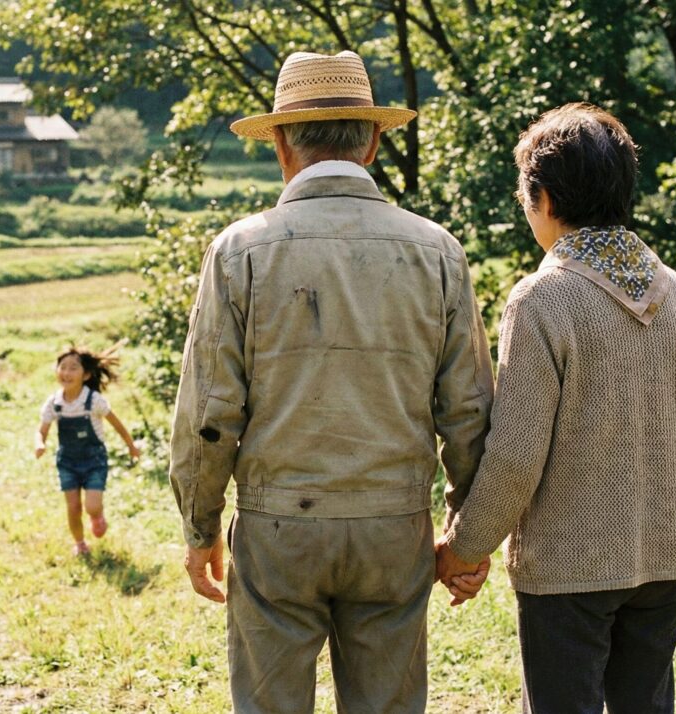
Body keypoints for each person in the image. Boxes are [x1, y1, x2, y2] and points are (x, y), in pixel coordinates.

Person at [169, 50, 494, 712]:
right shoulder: (436, 250)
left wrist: (200, 526)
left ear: (282, 143)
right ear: (374, 141)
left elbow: (210, 411)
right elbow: (468, 409)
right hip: (394, 527)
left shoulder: (239, 251)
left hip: (278, 527)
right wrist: (468, 534)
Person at [437, 103, 676, 713]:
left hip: (571, 567)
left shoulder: (543, 299)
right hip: (666, 559)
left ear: (542, 197)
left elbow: (515, 455)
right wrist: (675, 527)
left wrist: (463, 548)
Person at [35, 346, 141, 556]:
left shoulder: (94, 400)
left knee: (92, 506)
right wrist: (40, 443)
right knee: (73, 508)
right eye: (62, 367)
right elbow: (42, 430)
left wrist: (131, 446)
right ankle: (80, 543)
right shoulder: (54, 403)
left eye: (73, 368)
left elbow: (117, 424)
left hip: (94, 461)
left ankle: (96, 516)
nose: (66, 372)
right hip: (67, 462)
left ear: (86, 375)